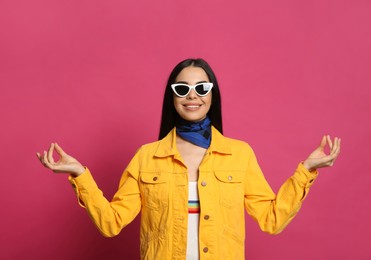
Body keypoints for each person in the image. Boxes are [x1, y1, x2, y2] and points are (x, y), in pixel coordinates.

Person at [37, 58, 341, 260]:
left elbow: (272, 219)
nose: (192, 96)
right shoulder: (147, 157)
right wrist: (79, 175)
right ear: (172, 96)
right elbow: (111, 223)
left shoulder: (239, 154)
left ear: (212, 94)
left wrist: (306, 170)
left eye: (201, 88)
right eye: (182, 88)